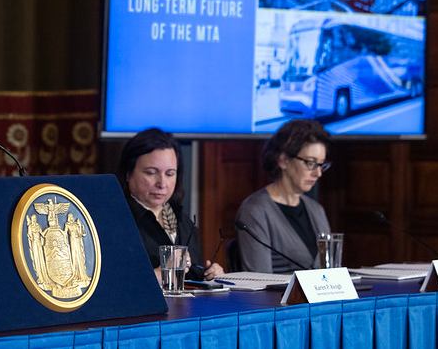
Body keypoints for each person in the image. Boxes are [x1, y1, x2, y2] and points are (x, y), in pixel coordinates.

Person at [117, 128, 224, 281]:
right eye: (151, 172)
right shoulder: (115, 222)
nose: (162, 183)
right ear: (128, 172)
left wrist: (208, 275)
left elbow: (189, 276)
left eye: (169, 174)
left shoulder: (184, 223)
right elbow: (113, 282)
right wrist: (160, 274)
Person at [235, 119, 332, 274]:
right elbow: (259, 280)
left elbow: (330, 270)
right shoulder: (255, 211)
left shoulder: (316, 210)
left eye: (321, 164)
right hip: (280, 298)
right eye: (310, 163)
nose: (318, 173)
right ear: (283, 160)